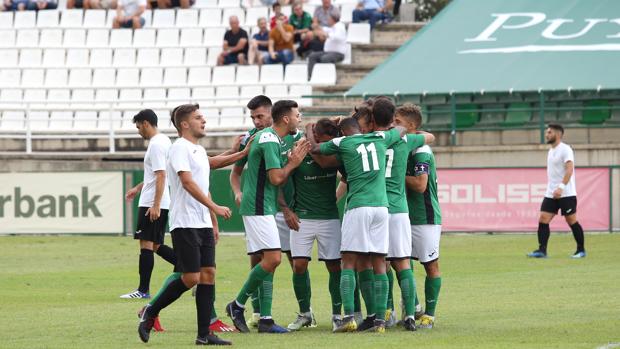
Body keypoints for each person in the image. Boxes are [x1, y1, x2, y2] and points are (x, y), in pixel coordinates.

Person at [137, 104, 233, 345]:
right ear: (185, 124)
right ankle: (151, 310)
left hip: (201, 223)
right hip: (185, 222)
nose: (204, 121)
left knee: (208, 274)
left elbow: (211, 168)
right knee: (191, 277)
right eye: (199, 118)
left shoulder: (198, 150)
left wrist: (242, 153)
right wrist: (215, 207)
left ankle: (204, 335)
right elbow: (188, 183)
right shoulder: (179, 147)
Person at [309, 117, 407, 333]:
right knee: (379, 262)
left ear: (344, 132)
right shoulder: (380, 137)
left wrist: (309, 128)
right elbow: (401, 130)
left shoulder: (343, 143)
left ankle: (349, 317)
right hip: (382, 207)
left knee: (348, 262)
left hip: (358, 207)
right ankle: (379, 320)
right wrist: (394, 127)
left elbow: (315, 149)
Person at [225, 100, 310, 334]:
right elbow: (276, 179)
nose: (299, 119)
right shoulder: (270, 140)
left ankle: (265, 319)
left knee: (268, 261)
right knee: (272, 259)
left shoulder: (273, 138)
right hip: (259, 206)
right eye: (297, 115)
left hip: (263, 206)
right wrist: (293, 163)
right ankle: (237, 305)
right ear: (285, 119)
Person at [371, 99, 433, 332]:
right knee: (403, 262)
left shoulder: (369, 140)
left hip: (377, 206)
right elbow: (430, 137)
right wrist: (408, 130)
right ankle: (409, 314)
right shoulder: (406, 140)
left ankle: (384, 314)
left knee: (381, 263)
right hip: (399, 209)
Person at [286, 118, 342, 331]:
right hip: (303, 217)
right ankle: (305, 313)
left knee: (335, 266)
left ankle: (337, 315)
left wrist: (309, 128)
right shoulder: (297, 153)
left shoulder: (334, 153)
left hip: (329, 217)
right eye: (325, 141)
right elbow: (281, 182)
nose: (328, 145)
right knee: (299, 265)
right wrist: (286, 209)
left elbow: (326, 163)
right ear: (316, 137)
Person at [121, 110, 177, 300]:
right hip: (156, 199)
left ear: (146, 123)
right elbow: (156, 175)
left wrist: (156, 205)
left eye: (138, 127)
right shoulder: (164, 141)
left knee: (146, 244)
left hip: (153, 202)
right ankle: (191, 267)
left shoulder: (156, 145)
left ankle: (143, 290)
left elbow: (161, 175)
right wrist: (137, 188)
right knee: (154, 245)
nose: (138, 131)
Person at [229, 95, 274, 328]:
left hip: (282, 207)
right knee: (262, 259)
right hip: (259, 205)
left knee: (290, 261)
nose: (256, 121)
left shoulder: (285, 136)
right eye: (253, 117)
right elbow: (235, 172)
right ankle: (259, 314)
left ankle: (304, 312)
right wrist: (237, 192)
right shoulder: (250, 138)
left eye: (260, 116)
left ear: (272, 114)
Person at [397, 103, 443, 330]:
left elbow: (420, 185)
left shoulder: (421, 151)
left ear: (412, 126)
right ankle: (413, 307)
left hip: (424, 216)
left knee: (430, 264)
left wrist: (395, 174)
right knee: (400, 262)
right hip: (404, 215)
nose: (394, 125)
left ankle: (430, 315)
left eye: (398, 122)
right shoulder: (402, 146)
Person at [527, 124, 585, 259]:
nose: (546, 134)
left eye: (549, 132)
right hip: (551, 193)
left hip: (566, 193)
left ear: (558, 134)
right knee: (543, 219)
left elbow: (569, 169)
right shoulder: (550, 151)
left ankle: (581, 250)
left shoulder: (565, 149)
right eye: (547, 132)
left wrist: (561, 187)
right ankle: (542, 251)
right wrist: (554, 189)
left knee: (571, 221)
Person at [307, 12, 346, 79]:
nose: (328, 20)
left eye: (329, 19)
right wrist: (318, 27)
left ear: (333, 19)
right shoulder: (334, 27)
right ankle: (312, 77)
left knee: (325, 58)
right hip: (328, 52)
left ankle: (325, 77)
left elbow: (337, 37)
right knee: (312, 56)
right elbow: (326, 30)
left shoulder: (340, 27)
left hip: (338, 54)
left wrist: (326, 34)